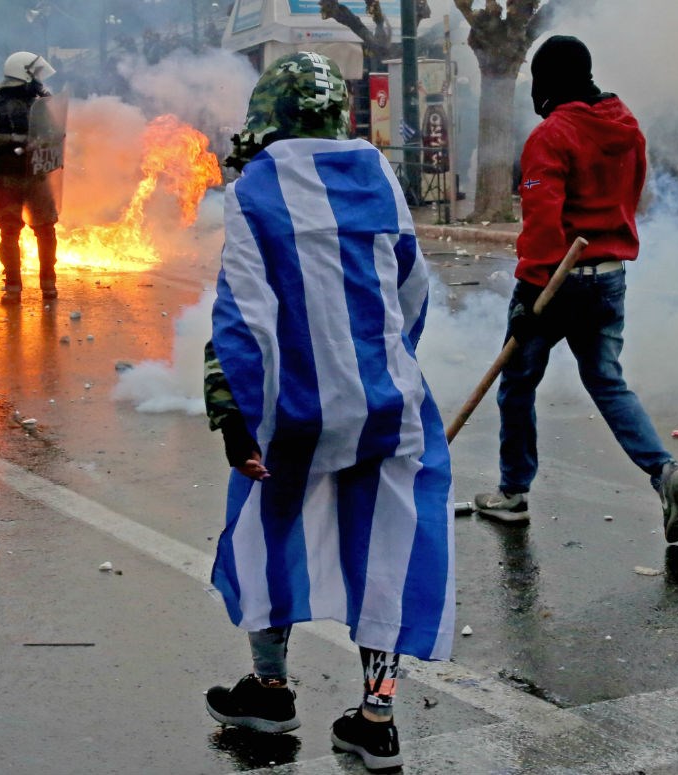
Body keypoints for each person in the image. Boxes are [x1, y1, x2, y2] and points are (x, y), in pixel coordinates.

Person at [203, 52, 454, 773]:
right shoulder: (378, 172)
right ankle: (376, 718)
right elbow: (413, 289)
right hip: (388, 404)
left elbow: (243, 316)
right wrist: (388, 365)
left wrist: (234, 415)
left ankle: (271, 687)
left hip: (296, 410)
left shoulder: (255, 187)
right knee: (390, 552)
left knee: (264, 531)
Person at [472, 35, 678, 543]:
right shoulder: (628, 128)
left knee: (517, 383)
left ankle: (513, 494)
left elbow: (542, 221)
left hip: (556, 279)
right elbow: (631, 196)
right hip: (609, 275)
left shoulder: (551, 136)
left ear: (550, 80)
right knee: (607, 381)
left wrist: (531, 293)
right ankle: (664, 471)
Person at [0, 51, 59, 304]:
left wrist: (45, 142)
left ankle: (49, 283)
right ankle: (13, 285)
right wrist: (17, 140)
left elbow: (54, 134)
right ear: (23, 75)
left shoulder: (40, 104)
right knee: (10, 232)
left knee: (46, 229)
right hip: (7, 177)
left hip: (37, 175)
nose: (39, 80)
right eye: (35, 74)